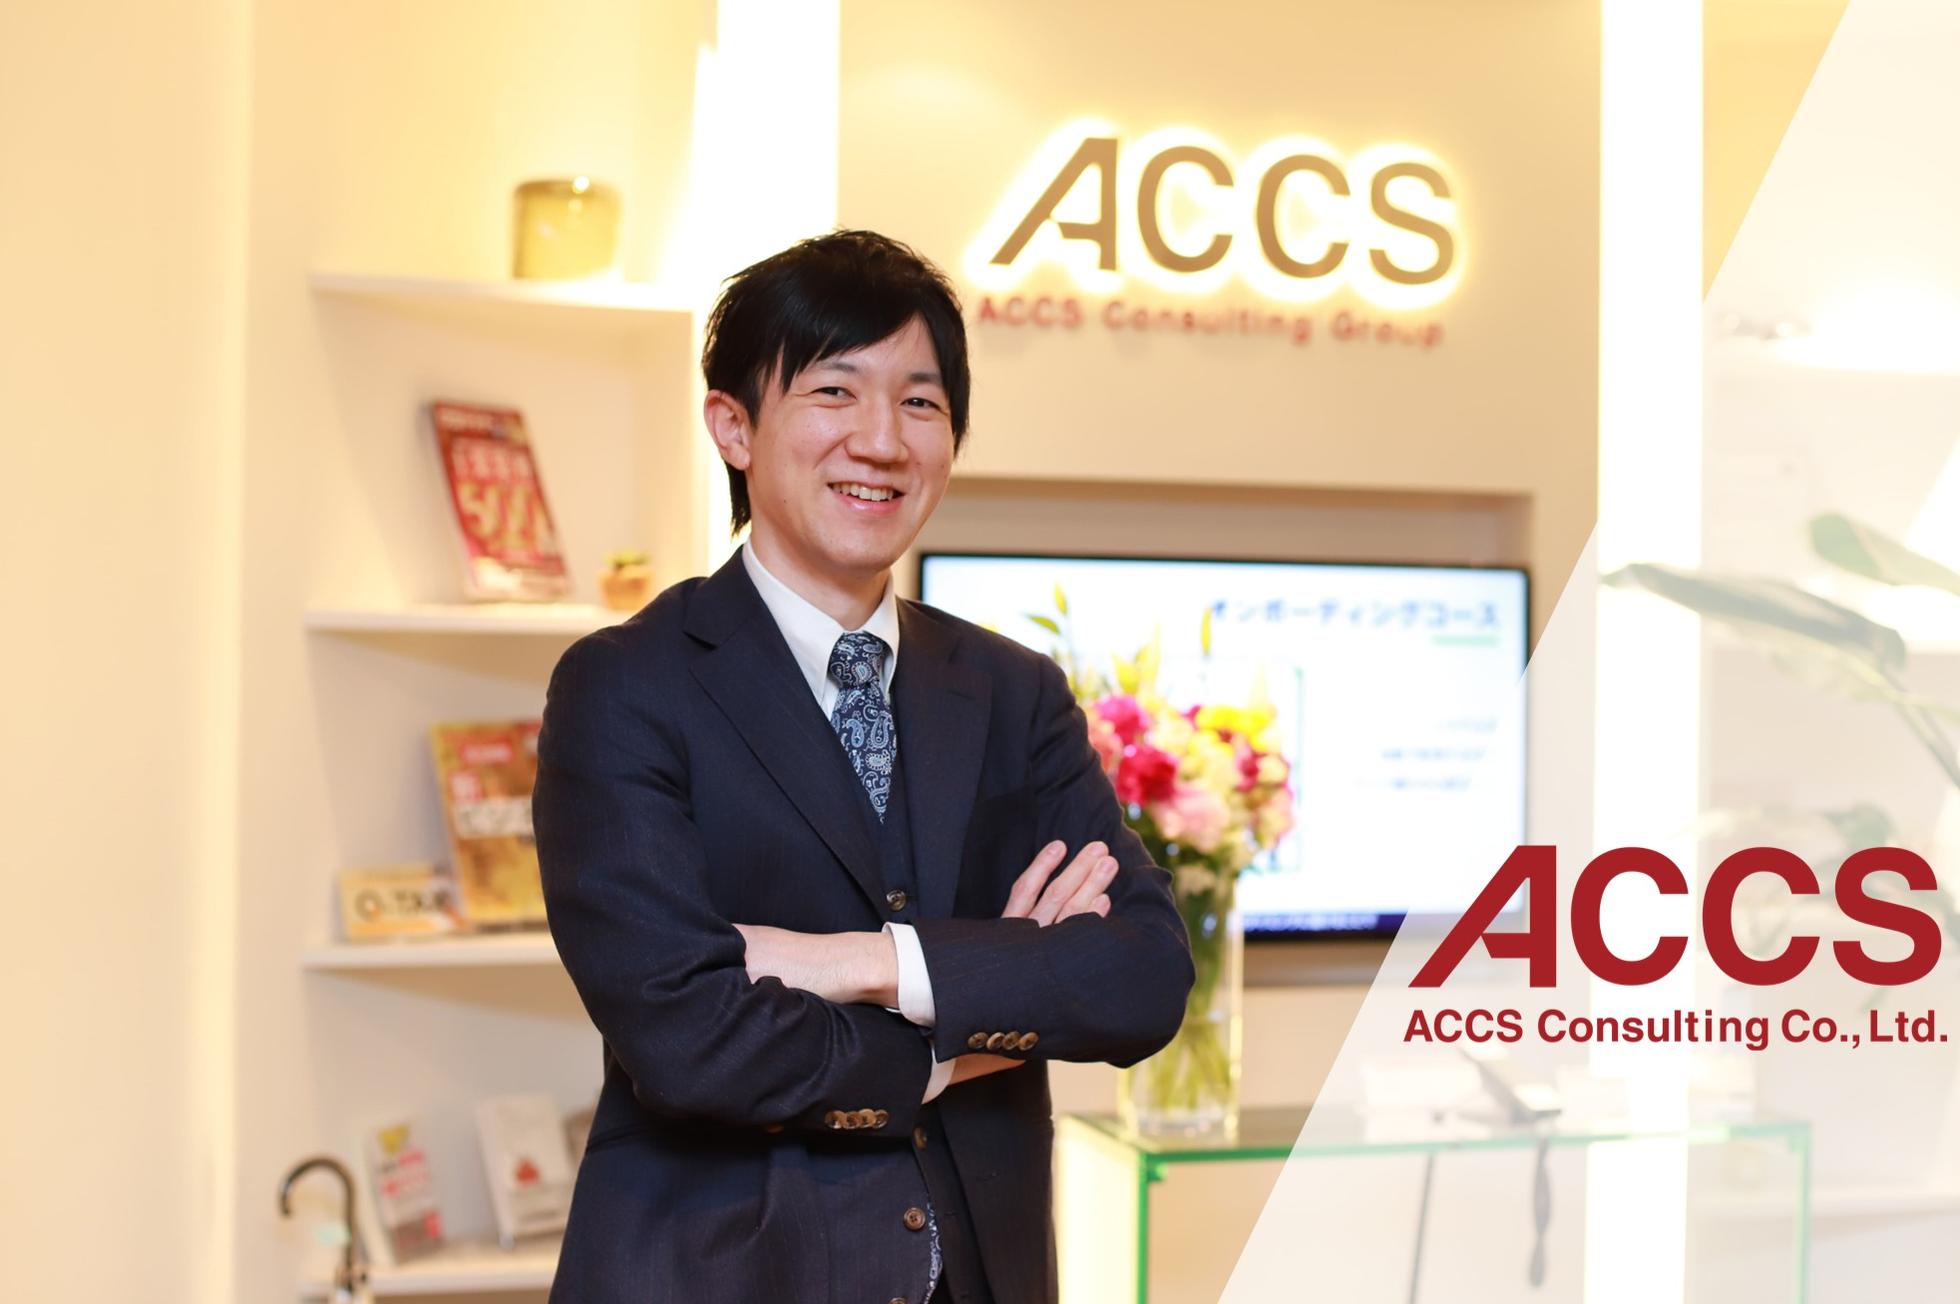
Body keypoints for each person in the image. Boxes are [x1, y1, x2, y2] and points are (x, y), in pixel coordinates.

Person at [532, 229, 1194, 1304]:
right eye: (834, 391)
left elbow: (1142, 976)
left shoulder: (1013, 691)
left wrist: (866, 962)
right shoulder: (625, 685)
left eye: (920, 402)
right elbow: (687, 1036)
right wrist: (970, 1018)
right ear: (733, 426)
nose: (881, 441)